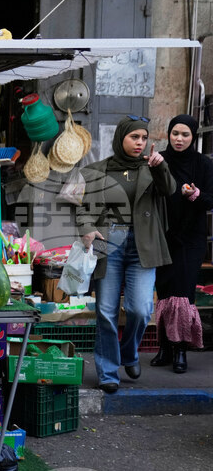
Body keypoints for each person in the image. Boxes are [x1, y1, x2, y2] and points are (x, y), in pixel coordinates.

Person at [75, 116, 175, 394]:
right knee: (105, 311)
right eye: (134, 137)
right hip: (108, 243)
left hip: (143, 243)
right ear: (121, 138)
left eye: (143, 138)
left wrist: (160, 166)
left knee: (141, 310)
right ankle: (108, 372)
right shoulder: (99, 170)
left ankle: (129, 353)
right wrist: (86, 229)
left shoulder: (152, 167)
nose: (140, 142)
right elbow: (84, 209)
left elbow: (169, 190)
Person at [151, 114, 211, 373]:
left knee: (183, 294)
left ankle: (181, 350)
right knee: (164, 291)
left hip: (191, 238)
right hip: (163, 236)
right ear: (168, 134)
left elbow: (211, 200)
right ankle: (164, 347)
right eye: (175, 133)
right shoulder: (160, 160)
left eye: (185, 134)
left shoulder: (204, 164)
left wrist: (195, 195)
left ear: (193, 136)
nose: (179, 139)